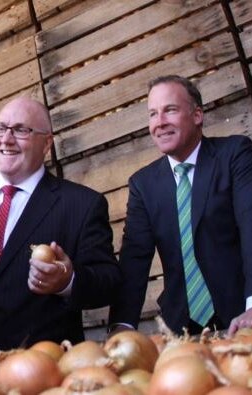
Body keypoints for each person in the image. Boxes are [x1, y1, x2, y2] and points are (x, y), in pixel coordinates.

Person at [0, 97, 120, 352]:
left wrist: (67, 280)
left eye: (20, 130)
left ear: (47, 143)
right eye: (0, 128)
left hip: (38, 369)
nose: (6, 139)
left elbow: (108, 282)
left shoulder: (82, 204)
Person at [108, 75, 252, 336]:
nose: (159, 122)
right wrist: (123, 325)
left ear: (197, 115)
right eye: (153, 114)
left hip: (240, 316)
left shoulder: (235, 155)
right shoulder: (143, 184)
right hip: (181, 329)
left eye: (170, 110)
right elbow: (134, 259)